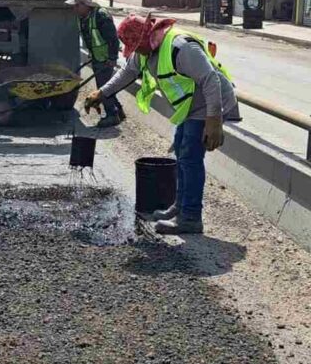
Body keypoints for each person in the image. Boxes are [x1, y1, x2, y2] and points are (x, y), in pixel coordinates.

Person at [84, 14, 238, 235]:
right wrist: (102, 92)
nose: (137, 52)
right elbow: (127, 72)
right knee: (182, 152)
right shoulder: (146, 49)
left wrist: (214, 120)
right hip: (191, 105)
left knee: (190, 158)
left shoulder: (180, 47)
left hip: (210, 102)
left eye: (137, 46)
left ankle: (191, 218)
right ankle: (180, 206)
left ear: (149, 35)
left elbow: (210, 80)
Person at [65, 0, 124, 128]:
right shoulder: (83, 18)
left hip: (106, 58)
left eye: (77, 5)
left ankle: (112, 116)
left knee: (103, 88)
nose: (74, 8)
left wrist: (112, 57)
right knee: (106, 87)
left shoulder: (101, 16)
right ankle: (119, 112)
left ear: (85, 4)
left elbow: (113, 39)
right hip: (98, 57)